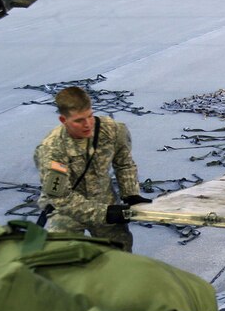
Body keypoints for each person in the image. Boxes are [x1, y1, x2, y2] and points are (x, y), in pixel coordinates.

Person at [34, 87, 149, 252]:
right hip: (66, 211)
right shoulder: (52, 149)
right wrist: (106, 213)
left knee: (120, 254)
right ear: (63, 120)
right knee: (62, 256)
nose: (87, 124)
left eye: (90, 116)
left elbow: (124, 163)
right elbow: (61, 199)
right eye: (79, 120)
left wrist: (131, 194)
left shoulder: (112, 130)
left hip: (104, 200)